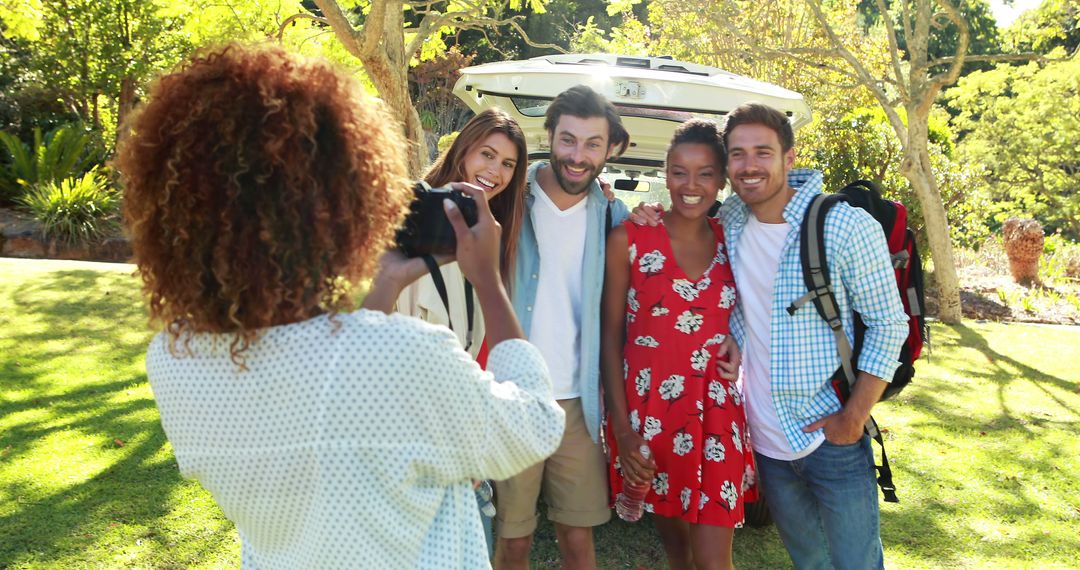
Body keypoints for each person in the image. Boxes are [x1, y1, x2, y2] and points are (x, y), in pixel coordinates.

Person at [115, 43, 565, 569]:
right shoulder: (400, 354)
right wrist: (487, 281)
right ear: (347, 203)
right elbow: (534, 424)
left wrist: (388, 282)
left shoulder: (174, 361)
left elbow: (333, 416)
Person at [631, 102, 908, 570]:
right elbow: (738, 297)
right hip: (764, 441)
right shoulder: (733, 222)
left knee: (857, 564)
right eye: (737, 154)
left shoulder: (842, 224)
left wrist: (853, 418)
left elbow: (890, 324)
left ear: (790, 157)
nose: (749, 165)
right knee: (809, 561)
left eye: (763, 151)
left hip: (829, 436)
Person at [602, 119, 756, 570]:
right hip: (649, 418)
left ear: (722, 178)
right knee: (679, 555)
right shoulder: (629, 239)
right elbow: (610, 338)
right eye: (678, 171)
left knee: (713, 561)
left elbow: (759, 311)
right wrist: (623, 431)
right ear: (664, 173)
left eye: (705, 173)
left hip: (716, 415)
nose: (690, 185)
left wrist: (737, 341)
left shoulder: (734, 241)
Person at [491, 85, 630, 570]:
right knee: (513, 540)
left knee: (578, 538)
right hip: (512, 397)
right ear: (549, 135)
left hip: (579, 404)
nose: (578, 155)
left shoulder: (616, 216)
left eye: (593, 143)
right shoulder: (509, 198)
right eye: (568, 140)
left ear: (610, 147)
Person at [394, 108, 528, 360]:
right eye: (487, 155)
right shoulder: (421, 215)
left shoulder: (491, 227)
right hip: (427, 375)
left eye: (507, 164)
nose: (495, 171)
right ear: (464, 150)